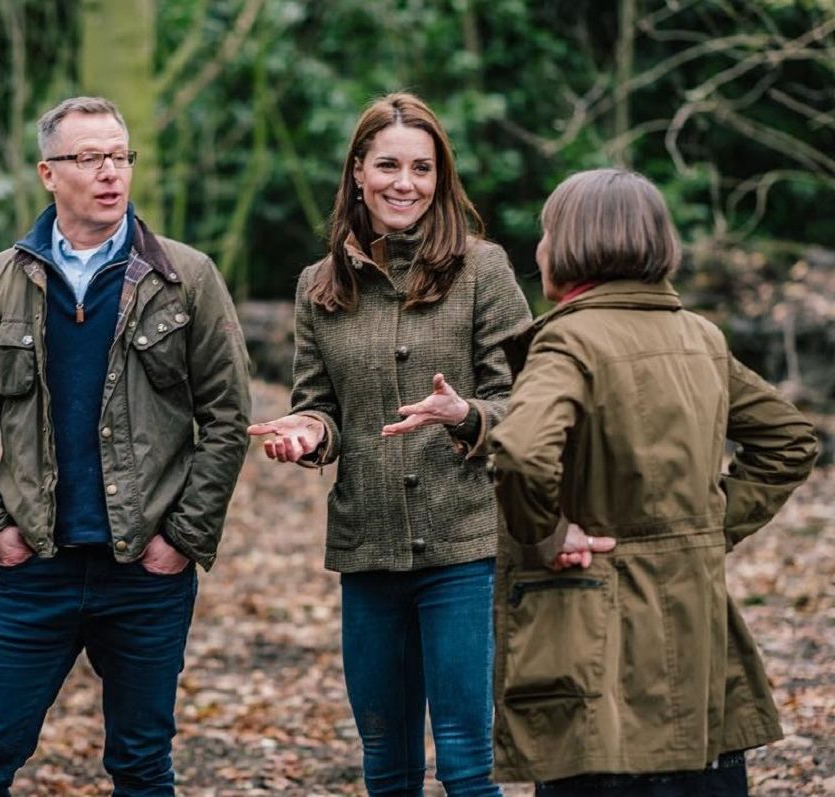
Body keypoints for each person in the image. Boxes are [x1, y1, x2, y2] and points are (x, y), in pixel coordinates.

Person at [0, 96, 251, 797]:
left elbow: (227, 419)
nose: (110, 172)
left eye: (120, 155)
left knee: (141, 763)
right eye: (89, 157)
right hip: (35, 567)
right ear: (49, 174)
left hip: (146, 569)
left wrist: (184, 535)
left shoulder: (186, 277)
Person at [487, 168, 818, 796]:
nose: (539, 248)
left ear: (573, 244)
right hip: (699, 650)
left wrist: (548, 535)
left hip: (593, 640)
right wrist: (707, 527)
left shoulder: (569, 341)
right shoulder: (701, 338)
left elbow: (523, 451)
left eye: (546, 232)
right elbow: (791, 441)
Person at [248, 92, 530, 797]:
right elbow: (318, 405)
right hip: (366, 548)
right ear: (357, 172)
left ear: (441, 177)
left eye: (423, 168)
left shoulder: (483, 270)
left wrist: (466, 414)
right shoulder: (319, 287)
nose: (406, 183)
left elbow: (531, 402)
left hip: (464, 545)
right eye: (389, 165)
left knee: (467, 760)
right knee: (386, 761)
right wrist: (309, 433)